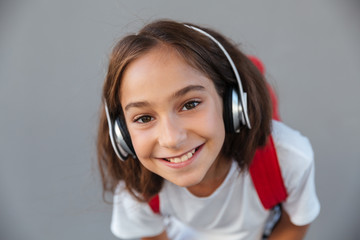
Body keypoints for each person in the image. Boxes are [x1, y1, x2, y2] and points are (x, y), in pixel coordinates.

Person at [97, 19, 320, 240]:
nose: (172, 139)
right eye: (144, 118)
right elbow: (150, 234)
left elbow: (294, 224)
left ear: (232, 105)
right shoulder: (138, 187)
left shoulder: (287, 159)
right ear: (122, 134)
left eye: (190, 104)